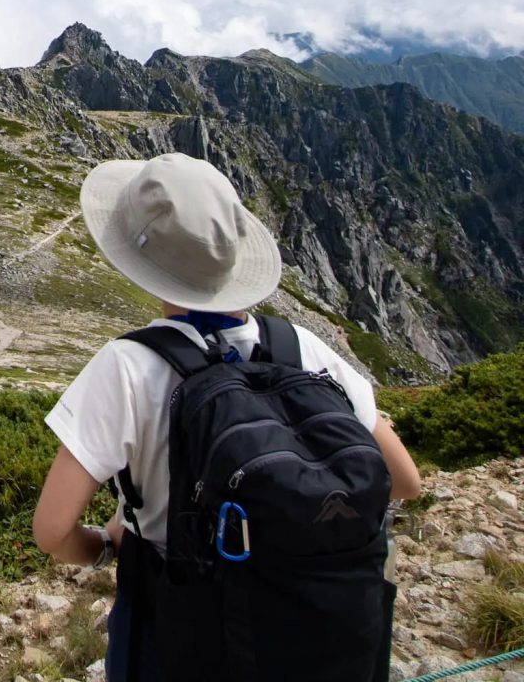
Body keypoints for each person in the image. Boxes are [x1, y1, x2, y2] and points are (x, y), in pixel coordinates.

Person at [33, 153, 421, 681]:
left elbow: (52, 532)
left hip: (183, 633)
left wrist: (106, 547)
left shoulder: (126, 366)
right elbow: (405, 481)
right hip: (320, 634)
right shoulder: (303, 348)